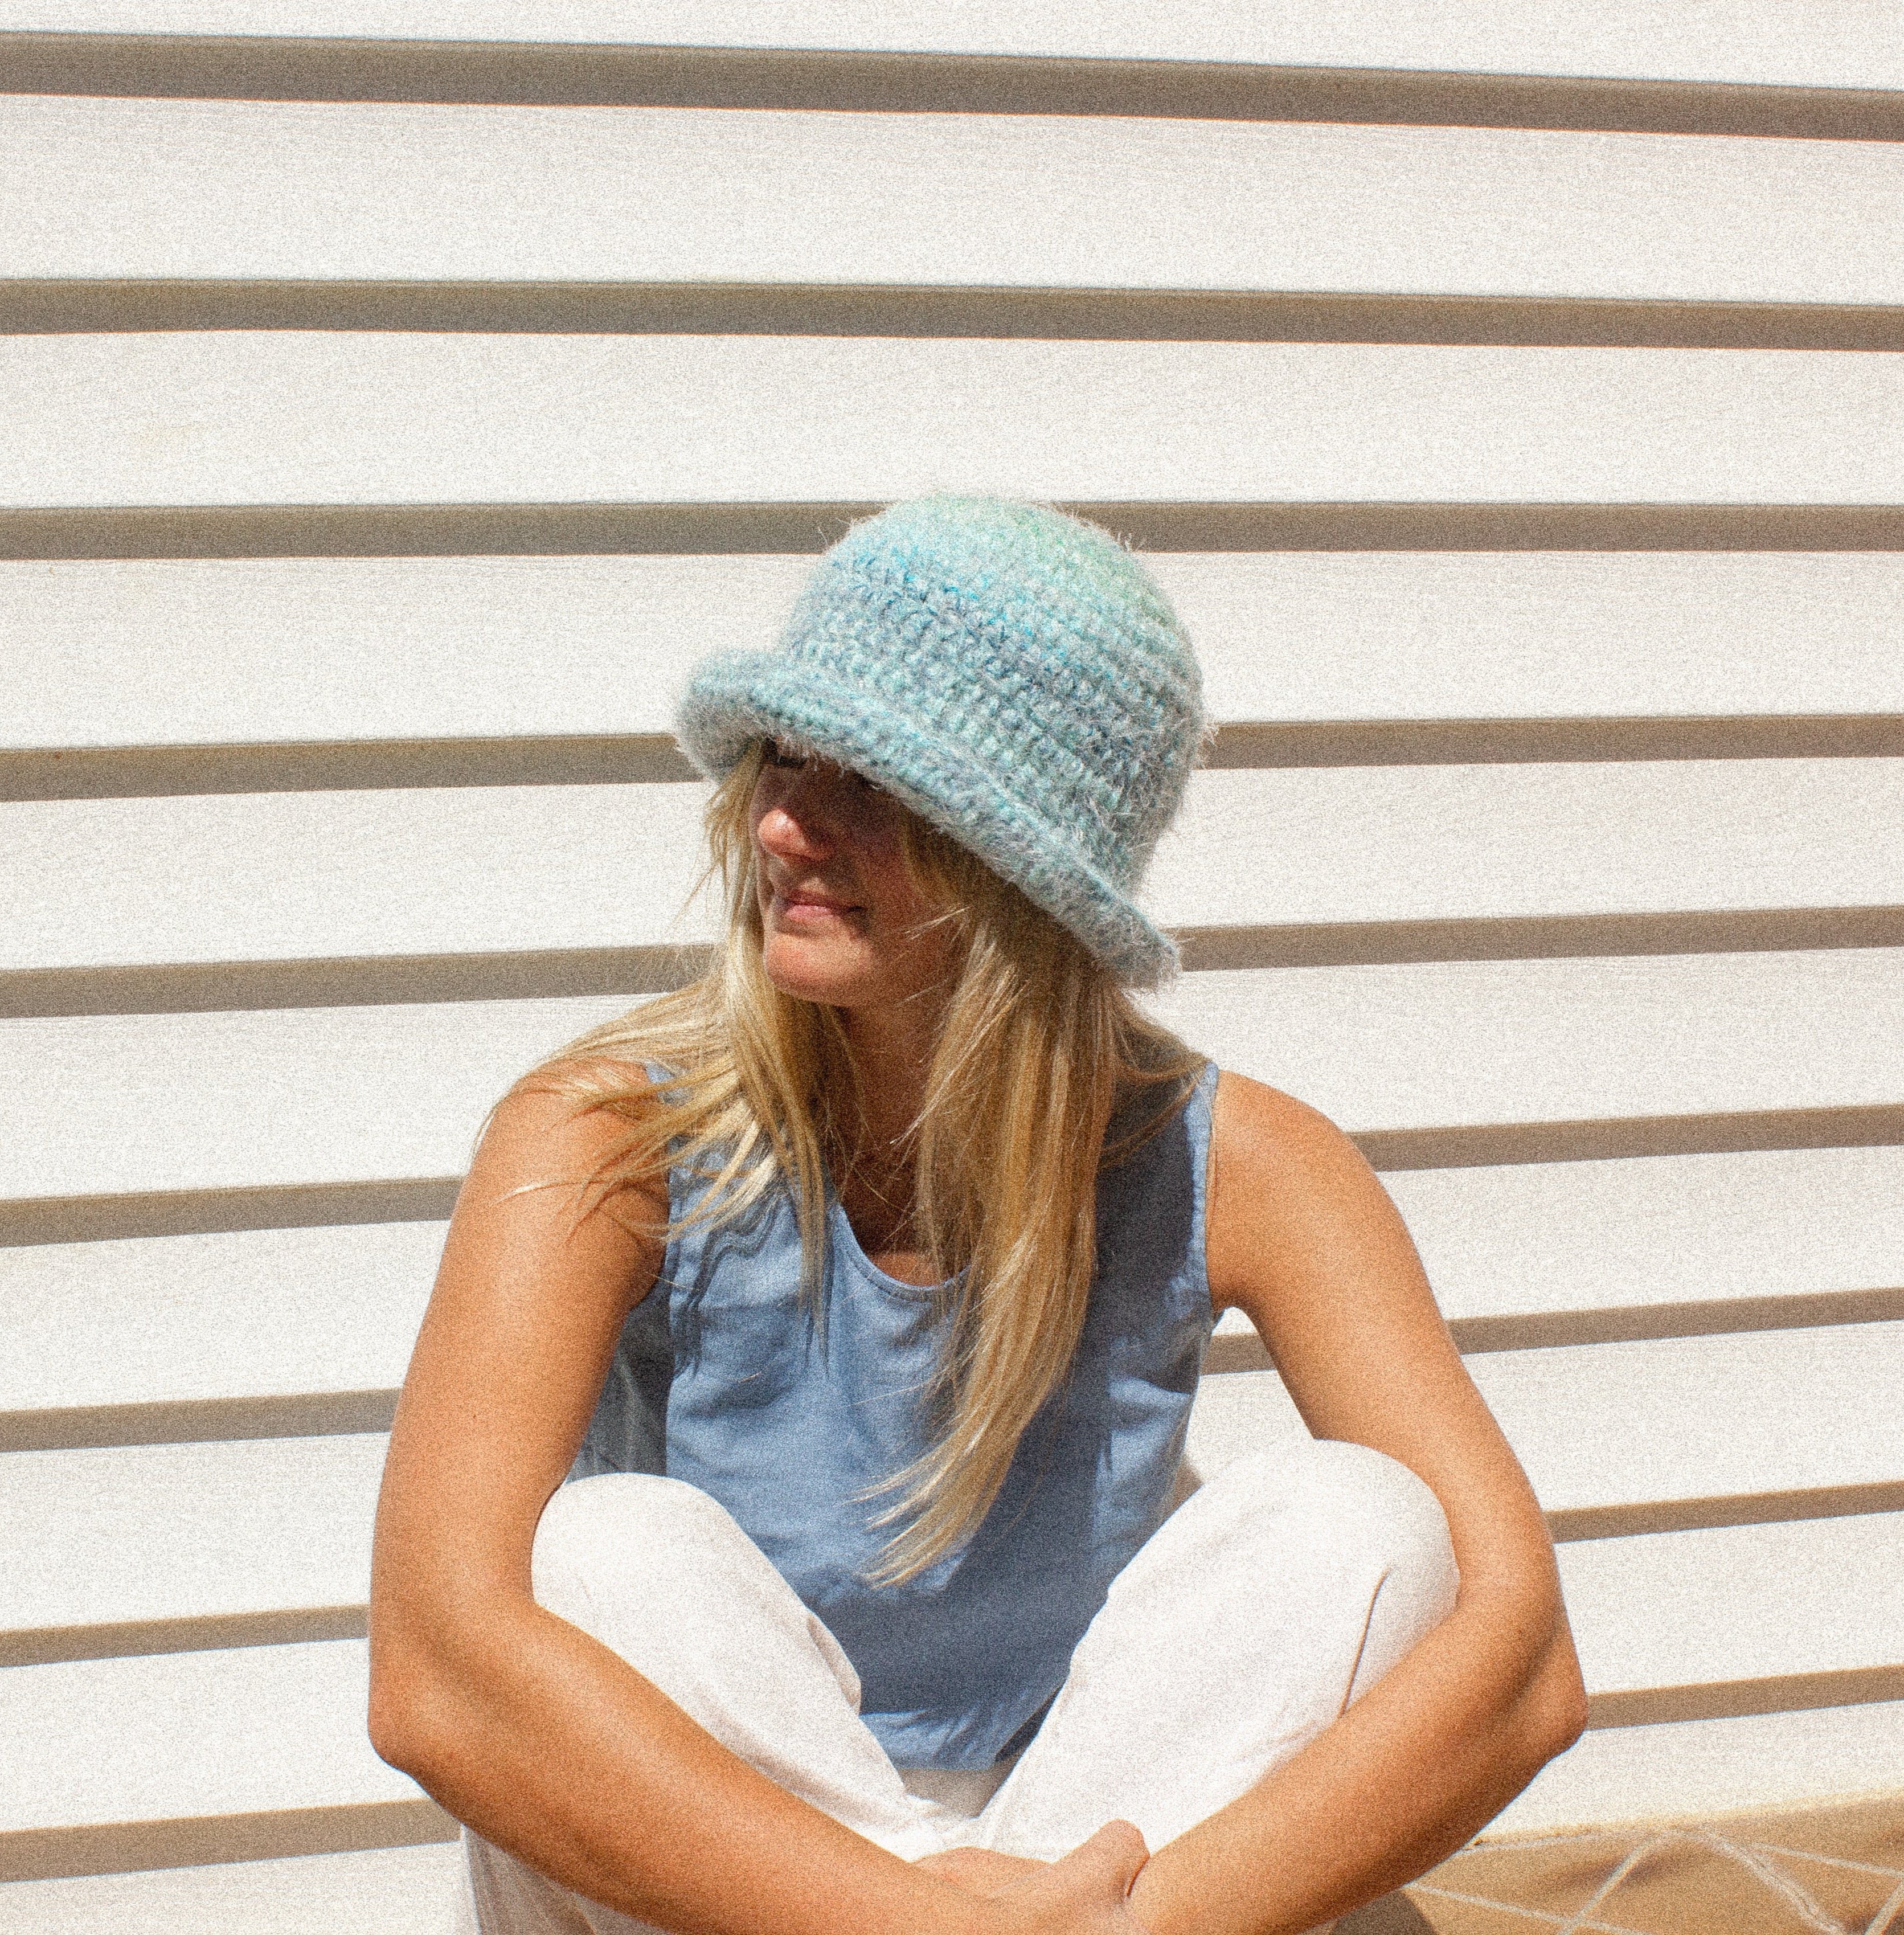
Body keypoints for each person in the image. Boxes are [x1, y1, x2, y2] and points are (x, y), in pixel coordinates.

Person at [368, 497, 1587, 1935]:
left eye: (868, 783)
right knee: (598, 1561)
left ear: (1021, 869)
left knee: (1361, 1523)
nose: (779, 821)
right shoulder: (609, 1137)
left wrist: (1131, 1921)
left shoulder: (1247, 1163)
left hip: (1083, 1829)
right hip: (719, 1870)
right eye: (785, 758)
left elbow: (1522, 1656)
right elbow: (435, 1674)